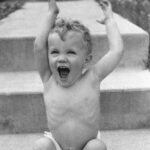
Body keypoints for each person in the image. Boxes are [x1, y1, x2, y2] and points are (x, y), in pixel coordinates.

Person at [33, 0, 123, 150]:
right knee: (41, 145)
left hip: (86, 146)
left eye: (71, 52)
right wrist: (51, 13)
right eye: (55, 52)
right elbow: (38, 47)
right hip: (58, 145)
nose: (61, 58)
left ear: (86, 60)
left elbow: (117, 51)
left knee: (97, 147)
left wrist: (110, 20)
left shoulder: (93, 77)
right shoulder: (48, 79)